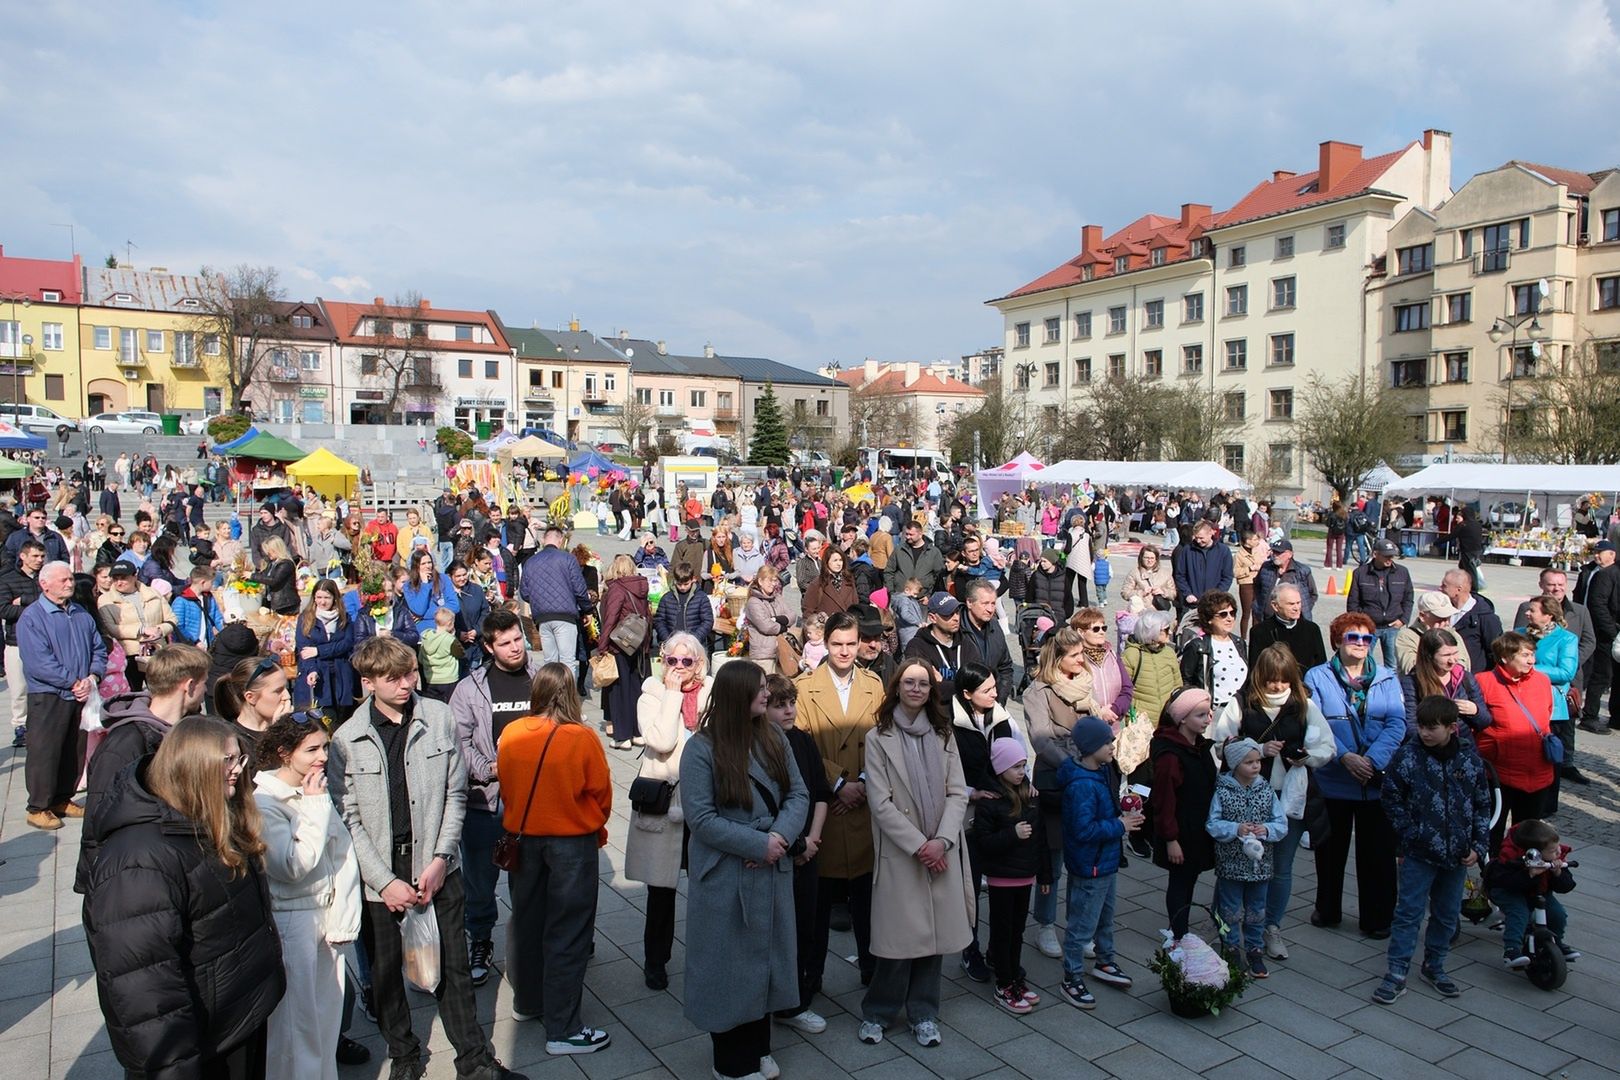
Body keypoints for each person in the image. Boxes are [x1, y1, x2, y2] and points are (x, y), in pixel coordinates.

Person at [325, 635, 525, 1080]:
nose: (405, 683)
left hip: (437, 866)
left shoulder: (437, 716)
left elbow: (456, 793)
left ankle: (473, 1059)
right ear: (368, 682)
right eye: (393, 677)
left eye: (410, 673)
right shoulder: (347, 738)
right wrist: (382, 880)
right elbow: (347, 816)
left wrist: (439, 858)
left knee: (452, 967)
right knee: (385, 972)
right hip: (382, 873)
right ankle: (405, 1055)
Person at [84, 717, 286, 1079]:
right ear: (193, 766)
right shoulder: (139, 860)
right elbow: (143, 987)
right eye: (228, 761)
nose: (238, 772)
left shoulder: (209, 818)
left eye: (240, 759)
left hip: (235, 1022)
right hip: (201, 1046)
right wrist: (175, 1067)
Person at [680, 660, 808, 1079]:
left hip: (770, 870)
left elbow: (799, 794)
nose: (767, 695)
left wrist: (780, 840)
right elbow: (701, 819)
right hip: (726, 877)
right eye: (758, 689)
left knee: (765, 965)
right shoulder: (701, 748)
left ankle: (757, 1049)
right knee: (727, 971)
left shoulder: (772, 736)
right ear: (737, 694)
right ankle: (731, 1065)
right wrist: (759, 843)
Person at [498, 663, 614, 1056]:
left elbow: (507, 787)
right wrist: (594, 826)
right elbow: (600, 794)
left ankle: (528, 1001)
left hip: (523, 839)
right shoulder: (581, 738)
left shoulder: (512, 733)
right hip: (570, 843)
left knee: (527, 921)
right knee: (568, 931)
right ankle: (563, 1027)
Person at [859, 659, 973, 1048]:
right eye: (909, 682)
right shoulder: (878, 737)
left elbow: (958, 792)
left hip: (940, 848)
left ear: (931, 691)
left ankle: (924, 1013)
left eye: (923, 683)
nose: (916, 689)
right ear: (896, 687)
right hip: (903, 852)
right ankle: (879, 1011)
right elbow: (879, 801)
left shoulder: (944, 735)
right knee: (897, 943)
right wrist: (919, 845)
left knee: (934, 940)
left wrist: (942, 841)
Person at [253, 714, 368, 1079]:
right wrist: (317, 806)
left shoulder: (311, 788)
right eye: (312, 749)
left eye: (325, 746)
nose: (322, 756)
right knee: (295, 1026)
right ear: (284, 753)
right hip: (294, 922)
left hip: (325, 919)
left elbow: (340, 855)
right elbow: (291, 865)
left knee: (323, 1021)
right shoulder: (266, 802)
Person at [1211, 644, 1334, 959]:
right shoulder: (1242, 703)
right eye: (1271, 680)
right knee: (1234, 863)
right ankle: (1226, 925)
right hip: (1243, 796)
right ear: (1259, 677)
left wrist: (1306, 756)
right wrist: (1259, 749)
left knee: (1280, 867)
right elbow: (1221, 743)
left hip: (1287, 797)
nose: (1277, 686)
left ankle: (1270, 927)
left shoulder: (1303, 705)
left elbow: (1326, 746)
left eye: (1283, 680)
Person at [1371, 696, 1493, 1005]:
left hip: (1458, 855)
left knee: (1446, 915)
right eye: (1422, 727)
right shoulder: (1408, 757)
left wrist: (1479, 845)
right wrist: (1410, 834)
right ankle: (1397, 971)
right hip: (1419, 852)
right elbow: (1391, 798)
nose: (1425, 733)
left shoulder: (1469, 760)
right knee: (1408, 912)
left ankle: (1434, 965)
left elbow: (1482, 805)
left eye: (1432, 728)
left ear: (1452, 728)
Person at [794, 611, 884, 998]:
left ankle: (873, 972)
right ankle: (810, 977)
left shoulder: (874, 684)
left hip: (863, 804)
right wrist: (837, 783)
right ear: (825, 644)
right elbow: (800, 744)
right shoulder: (804, 688)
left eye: (851, 643)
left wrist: (862, 782)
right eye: (837, 644)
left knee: (869, 903)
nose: (845, 651)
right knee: (817, 905)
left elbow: (883, 737)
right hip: (825, 807)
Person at [73, 643, 211, 894]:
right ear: (189, 686)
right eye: (204, 683)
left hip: (174, 864)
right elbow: (98, 818)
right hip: (134, 877)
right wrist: (99, 885)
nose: (206, 690)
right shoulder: (126, 743)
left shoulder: (187, 730)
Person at [449, 607, 539, 986]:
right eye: (505, 643)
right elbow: (459, 742)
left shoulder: (542, 677)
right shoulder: (470, 689)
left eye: (518, 639)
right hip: (486, 800)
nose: (515, 648)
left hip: (535, 797)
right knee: (480, 880)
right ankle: (481, 939)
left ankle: (533, 942)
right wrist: (490, 768)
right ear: (489, 646)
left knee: (532, 878)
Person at [1303, 612, 1406, 937]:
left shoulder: (1387, 677)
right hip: (1334, 781)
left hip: (1374, 782)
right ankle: (1328, 909)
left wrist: (1371, 761)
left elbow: (1396, 723)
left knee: (1377, 856)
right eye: (1354, 637)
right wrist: (1346, 757)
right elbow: (1314, 724)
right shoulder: (1317, 677)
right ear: (1337, 641)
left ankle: (1377, 920)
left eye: (1367, 638)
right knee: (1330, 853)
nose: (1362, 644)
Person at [624, 632, 710, 990]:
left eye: (686, 662)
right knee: (661, 890)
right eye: (671, 660)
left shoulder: (712, 693)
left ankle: (709, 956)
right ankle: (655, 960)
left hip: (705, 802)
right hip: (667, 802)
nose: (678, 667)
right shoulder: (652, 694)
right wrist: (673, 694)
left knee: (709, 885)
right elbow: (660, 741)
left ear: (699, 664)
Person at [1056, 715, 1143, 1010]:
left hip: (1104, 861)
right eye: (1106, 741)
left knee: (1105, 918)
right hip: (1091, 864)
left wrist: (1124, 813)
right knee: (1082, 924)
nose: (1112, 744)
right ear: (1090, 748)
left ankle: (1105, 962)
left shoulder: (1102, 770)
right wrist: (1120, 826)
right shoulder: (1082, 785)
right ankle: (1071, 977)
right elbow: (1083, 830)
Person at [765, 673, 834, 1033]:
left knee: (805, 927)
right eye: (780, 706)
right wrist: (794, 844)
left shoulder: (803, 741)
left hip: (807, 848)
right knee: (778, 931)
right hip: (777, 852)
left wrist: (812, 840)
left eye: (791, 703)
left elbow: (820, 792)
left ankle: (797, 1000)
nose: (789, 710)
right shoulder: (762, 746)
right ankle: (776, 999)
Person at [1021, 625, 1094, 957]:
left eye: (1083, 654)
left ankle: (1080, 927)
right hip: (1056, 779)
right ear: (1058, 657)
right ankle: (1046, 924)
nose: (1083, 659)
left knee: (1085, 856)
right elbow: (1040, 738)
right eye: (1076, 655)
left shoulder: (1086, 685)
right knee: (1053, 858)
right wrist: (1072, 766)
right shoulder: (1038, 691)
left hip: (1088, 779)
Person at [17, 561, 106, 830]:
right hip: (49, 695)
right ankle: (38, 806)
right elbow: (39, 662)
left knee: (73, 749)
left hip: (80, 693)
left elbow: (98, 649)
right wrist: (72, 681)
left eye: (70, 579)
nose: (70, 584)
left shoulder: (80, 613)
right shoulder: (32, 617)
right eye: (63, 580)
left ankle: (62, 798)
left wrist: (92, 677)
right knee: (46, 751)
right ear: (45, 585)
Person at [969, 736, 1050, 1014]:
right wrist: (1011, 835)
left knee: (1018, 931)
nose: (1021, 771)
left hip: (1025, 876)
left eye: (1024, 765)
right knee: (1003, 931)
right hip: (1002, 878)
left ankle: (1015, 976)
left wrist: (1045, 876)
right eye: (1015, 766)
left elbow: (1041, 840)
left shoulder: (1030, 797)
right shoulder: (990, 801)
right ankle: (1004, 983)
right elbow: (984, 843)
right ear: (1000, 768)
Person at [1206, 738, 1288, 977]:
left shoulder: (1266, 790)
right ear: (1234, 764)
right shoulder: (1223, 791)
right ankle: (1230, 947)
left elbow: (1281, 824)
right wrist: (1235, 829)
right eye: (1248, 762)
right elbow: (1213, 823)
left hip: (1260, 865)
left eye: (1257, 762)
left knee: (1256, 909)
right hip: (1231, 863)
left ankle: (1254, 948)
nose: (1255, 766)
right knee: (1230, 908)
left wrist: (1267, 830)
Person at [1475, 632, 1561, 852]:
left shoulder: (1542, 681)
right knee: (1493, 831)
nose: (1531, 660)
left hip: (1538, 771)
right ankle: (1492, 875)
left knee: (1529, 834)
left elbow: (1547, 715)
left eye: (1532, 654)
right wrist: (1492, 750)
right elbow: (1477, 724)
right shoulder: (1484, 682)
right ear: (1505, 657)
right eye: (1525, 655)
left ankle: (1524, 876)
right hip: (1500, 772)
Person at [1514, 568, 1596, 782]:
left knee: (1566, 727)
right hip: (1530, 686)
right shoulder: (1528, 608)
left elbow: (1589, 641)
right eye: (1551, 584)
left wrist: (1572, 659)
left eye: (1560, 584)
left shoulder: (1580, 611)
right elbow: (1515, 643)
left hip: (1566, 680)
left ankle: (1566, 764)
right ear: (1542, 585)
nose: (1556, 588)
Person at [1150, 688, 1218, 941]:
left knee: (1189, 879)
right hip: (1181, 831)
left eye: (1208, 713)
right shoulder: (1170, 756)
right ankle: (1179, 934)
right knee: (1181, 881)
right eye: (1200, 715)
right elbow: (1164, 800)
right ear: (1182, 719)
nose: (1208, 718)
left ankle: (1181, 930)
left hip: (1197, 828)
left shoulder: (1197, 746)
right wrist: (1171, 839)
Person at [1484, 819, 1579, 970]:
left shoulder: (1555, 860)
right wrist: (1529, 875)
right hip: (1508, 892)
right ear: (1535, 853)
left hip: (1537, 893)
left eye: (1558, 848)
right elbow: (1507, 883)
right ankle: (1512, 949)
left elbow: (1566, 886)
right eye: (1553, 850)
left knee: (1557, 913)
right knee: (1519, 912)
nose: (1558, 852)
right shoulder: (1510, 860)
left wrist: (1558, 873)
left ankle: (1557, 941)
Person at [520, 524, 592, 677]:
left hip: (542, 617)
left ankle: (552, 697)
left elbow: (525, 593)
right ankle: (567, 699)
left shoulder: (530, 562)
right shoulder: (568, 559)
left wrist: (539, 598)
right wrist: (587, 610)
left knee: (550, 663)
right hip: (565, 615)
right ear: (560, 541)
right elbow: (580, 589)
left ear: (544, 540)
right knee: (567, 662)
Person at [598, 553, 653, 750]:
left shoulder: (617, 588)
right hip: (639, 643)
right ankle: (638, 732)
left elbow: (610, 619)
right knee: (637, 690)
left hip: (620, 645)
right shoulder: (642, 586)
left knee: (619, 691)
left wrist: (602, 645)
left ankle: (622, 736)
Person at [1400, 628, 1493, 742]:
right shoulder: (1411, 682)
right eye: (1446, 655)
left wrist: (1475, 711)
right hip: (1430, 751)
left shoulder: (1465, 678)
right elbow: (1409, 725)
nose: (1452, 660)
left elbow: (1485, 721)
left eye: (1455, 653)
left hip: (1463, 750)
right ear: (1429, 656)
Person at [98, 560, 176, 691]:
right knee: (134, 693)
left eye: (123, 578)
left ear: (135, 576)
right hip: (129, 654)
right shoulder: (105, 600)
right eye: (115, 579)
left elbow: (171, 619)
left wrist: (159, 630)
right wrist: (141, 630)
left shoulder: (153, 594)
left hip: (156, 650)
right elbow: (111, 628)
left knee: (163, 690)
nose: (119, 582)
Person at [0, 537, 44, 746]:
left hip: (43, 641)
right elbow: (5, 609)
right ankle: (20, 726)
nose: (39, 560)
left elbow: (55, 601)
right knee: (19, 689)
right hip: (16, 641)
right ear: (23, 556)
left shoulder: (46, 577)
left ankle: (39, 725)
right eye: (35, 556)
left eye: (42, 556)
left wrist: (24, 601)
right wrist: (35, 609)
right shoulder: (7, 579)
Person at [294, 578, 357, 718]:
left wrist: (318, 651)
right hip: (319, 673)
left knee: (344, 717)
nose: (322, 602)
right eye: (319, 597)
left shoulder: (344, 617)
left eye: (327, 597)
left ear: (334, 598)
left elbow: (347, 643)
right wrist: (312, 671)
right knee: (325, 718)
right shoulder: (305, 618)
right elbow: (304, 649)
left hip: (341, 673)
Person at [1347, 538, 1414, 667]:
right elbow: (1353, 602)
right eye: (1386, 556)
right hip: (1369, 627)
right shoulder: (1360, 573)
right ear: (1375, 554)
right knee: (1364, 663)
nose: (1390, 559)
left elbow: (1408, 598)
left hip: (1393, 626)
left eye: (1392, 556)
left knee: (1393, 665)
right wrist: (1360, 624)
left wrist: (1403, 619)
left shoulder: (1402, 572)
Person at [1180, 589, 1249, 713]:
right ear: (1209, 619)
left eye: (1232, 613)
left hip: (1241, 710)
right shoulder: (1198, 646)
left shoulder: (1239, 643)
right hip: (1214, 711)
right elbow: (1186, 681)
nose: (1230, 618)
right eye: (1223, 614)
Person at [1579, 540, 1620, 736]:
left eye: (1600, 552)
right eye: (1595, 552)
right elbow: (1598, 605)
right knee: (1601, 675)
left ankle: (1615, 716)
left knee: (1610, 675)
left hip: (1604, 630)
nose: (1596, 555)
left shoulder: (1609, 572)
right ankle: (1590, 716)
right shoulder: (1598, 573)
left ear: (1612, 555)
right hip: (1600, 631)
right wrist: (1612, 632)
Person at [214, 654, 293, 756]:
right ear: (251, 697)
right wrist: (278, 734)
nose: (287, 696)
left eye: (286, 688)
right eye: (278, 691)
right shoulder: (233, 741)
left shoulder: (291, 728)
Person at [1247, 582, 1327, 673]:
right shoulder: (1260, 632)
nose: (1297, 608)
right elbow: (1255, 669)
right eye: (1291, 604)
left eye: (1298, 603)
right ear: (1275, 606)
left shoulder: (1312, 629)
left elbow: (1321, 667)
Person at [1073, 605, 1132, 725]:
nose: (1101, 632)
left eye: (1103, 628)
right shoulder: (1075, 659)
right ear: (1081, 632)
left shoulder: (1113, 656)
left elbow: (1127, 688)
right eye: (1096, 629)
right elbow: (1072, 695)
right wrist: (1099, 712)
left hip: (1114, 725)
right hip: (1088, 726)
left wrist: (1114, 710)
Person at [959, 578, 1015, 707]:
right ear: (969, 602)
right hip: (963, 704)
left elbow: (1005, 667)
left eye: (993, 603)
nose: (990, 609)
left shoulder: (995, 627)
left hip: (992, 703)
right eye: (985, 603)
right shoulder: (956, 629)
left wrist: (999, 700)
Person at [1122, 609, 1180, 726]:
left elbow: (1177, 684)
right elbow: (1123, 690)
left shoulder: (1169, 652)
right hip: (1141, 721)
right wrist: (1130, 715)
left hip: (1167, 719)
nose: (1169, 633)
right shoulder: (1131, 655)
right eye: (1166, 629)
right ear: (1152, 632)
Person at [905, 591, 965, 703]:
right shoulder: (917, 647)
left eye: (957, 612)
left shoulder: (966, 642)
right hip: (935, 715)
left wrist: (943, 683)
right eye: (949, 614)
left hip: (965, 715)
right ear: (933, 618)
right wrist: (964, 688)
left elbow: (978, 685)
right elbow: (926, 691)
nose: (956, 618)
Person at [1440, 570, 1503, 674]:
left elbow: (1496, 651)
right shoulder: (1441, 609)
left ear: (1458, 590)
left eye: (1444, 586)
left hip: (1473, 677)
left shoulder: (1486, 617)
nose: (1440, 588)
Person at [1171, 519, 1233, 617]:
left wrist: (1216, 595)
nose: (1198, 541)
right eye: (1196, 538)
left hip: (1214, 603)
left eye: (1201, 538)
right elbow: (1180, 575)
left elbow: (1227, 577)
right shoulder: (1187, 550)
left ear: (1210, 534)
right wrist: (1187, 593)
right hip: (1191, 603)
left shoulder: (1223, 551)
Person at [744, 563, 793, 675]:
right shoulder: (753, 602)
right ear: (760, 582)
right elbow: (766, 626)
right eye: (770, 580)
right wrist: (784, 627)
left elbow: (792, 615)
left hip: (781, 651)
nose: (773, 584)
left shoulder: (777, 597)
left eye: (775, 581)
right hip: (763, 655)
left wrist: (777, 619)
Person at [653, 561, 715, 648]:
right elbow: (659, 621)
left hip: (694, 645)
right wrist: (667, 639)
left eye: (686, 584)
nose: (682, 587)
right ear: (675, 581)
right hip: (671, 644)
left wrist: (695, 639)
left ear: (693, 579)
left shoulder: (701, 597)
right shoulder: (666, 598)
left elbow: (707, 621)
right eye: (679, 584)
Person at [884, 519, 945, 597]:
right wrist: (892, 592)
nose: (908, 537)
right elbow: (889, 571)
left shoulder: (933, 552)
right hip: (901, 596)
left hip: (923, 598)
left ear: (920, 534)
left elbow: (938, 576)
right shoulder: (899, 550)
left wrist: (930, 596)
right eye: (906, 534)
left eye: (911, 534)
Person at [171, 565, 224, 649]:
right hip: (188, 648)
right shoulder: (181, 601)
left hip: (207, 645)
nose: (212, 585)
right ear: (202, 582)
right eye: (211, 582)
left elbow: (217, 618)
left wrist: (226, 631)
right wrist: (195, 641)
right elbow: (178, 626)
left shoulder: (209, 597)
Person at [418, 606, 463, 702]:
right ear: (450, 623)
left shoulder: (426, 637)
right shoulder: (450, 640)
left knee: (433, 707)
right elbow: (461, 653)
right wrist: (454, 636)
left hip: (431, 679)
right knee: (449, 706)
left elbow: (421, 659)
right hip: (448, 679)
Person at [804, 545, 858, 619]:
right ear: (827, 562)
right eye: (835, 560)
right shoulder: (817, 583)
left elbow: (855, 604)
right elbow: (808, 610)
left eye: (841, 560)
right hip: (827, 627)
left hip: (847, 626)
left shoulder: (849, 579)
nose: (839, 564)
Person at [250, 536, 300, 616]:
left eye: (269, 551)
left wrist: (252, 576)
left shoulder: (286, 564)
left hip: (286, 604)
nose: (267, 553)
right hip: (274, 603)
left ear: (276, 549)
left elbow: (273, 580)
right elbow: (263, 575)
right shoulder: (272, 564)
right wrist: (245, 576)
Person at [1119, 543, 1174, 611]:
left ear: (1156, 559)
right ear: (1141, 558)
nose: (1149, 560)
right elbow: (1125, 593)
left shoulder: (1165, 573)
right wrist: (1141, 592)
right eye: (1146, 558)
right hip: (1140, 611)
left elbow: (1173, 594)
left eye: (1152, 558)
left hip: (1160, 613)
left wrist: (1163, 591)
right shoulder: (1134, 573)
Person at [1233, 530, 1266, 639]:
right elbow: (1235, 572)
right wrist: (1249, 569)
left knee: (1257, 612)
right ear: (1248, 541)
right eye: (1255, 539)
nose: (1257, 542)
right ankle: (1243, 638)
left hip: (1258, 583)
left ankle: (1255, 637)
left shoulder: (1257, 551)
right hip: (1246, 584)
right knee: (1246, 613)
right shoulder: (1239, 555)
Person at [1453, 505, 1485, 592]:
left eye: (1458, 518)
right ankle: (1465, 583)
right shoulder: (1472, 525)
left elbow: (1453, 535)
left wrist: (1438, 541)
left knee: (1472, 569)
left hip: (1470, 551)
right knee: (1463, 566)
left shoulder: (1465, 525)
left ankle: (1476, 587)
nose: (1456, 519)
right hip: (1472, 550)